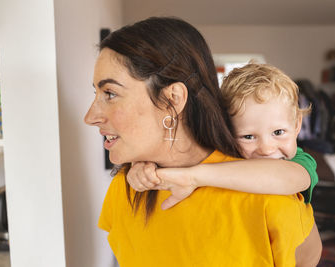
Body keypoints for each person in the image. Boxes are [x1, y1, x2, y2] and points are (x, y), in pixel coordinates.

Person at [85, 16, 316, 267]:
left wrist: (194, 176)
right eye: (97, 93)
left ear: (173, 99)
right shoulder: (127, 187)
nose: (90, 117)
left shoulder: (270, 197)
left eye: (110, 93)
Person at [127, 62, 322, 266]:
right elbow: (179, 152)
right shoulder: (225, 154)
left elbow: (283, 177)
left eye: (278, 133)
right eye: (248, 136)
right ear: (227, 133)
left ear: (297, 124)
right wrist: (142, 166)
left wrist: (195, 176)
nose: (266, 148)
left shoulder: (299, 161)